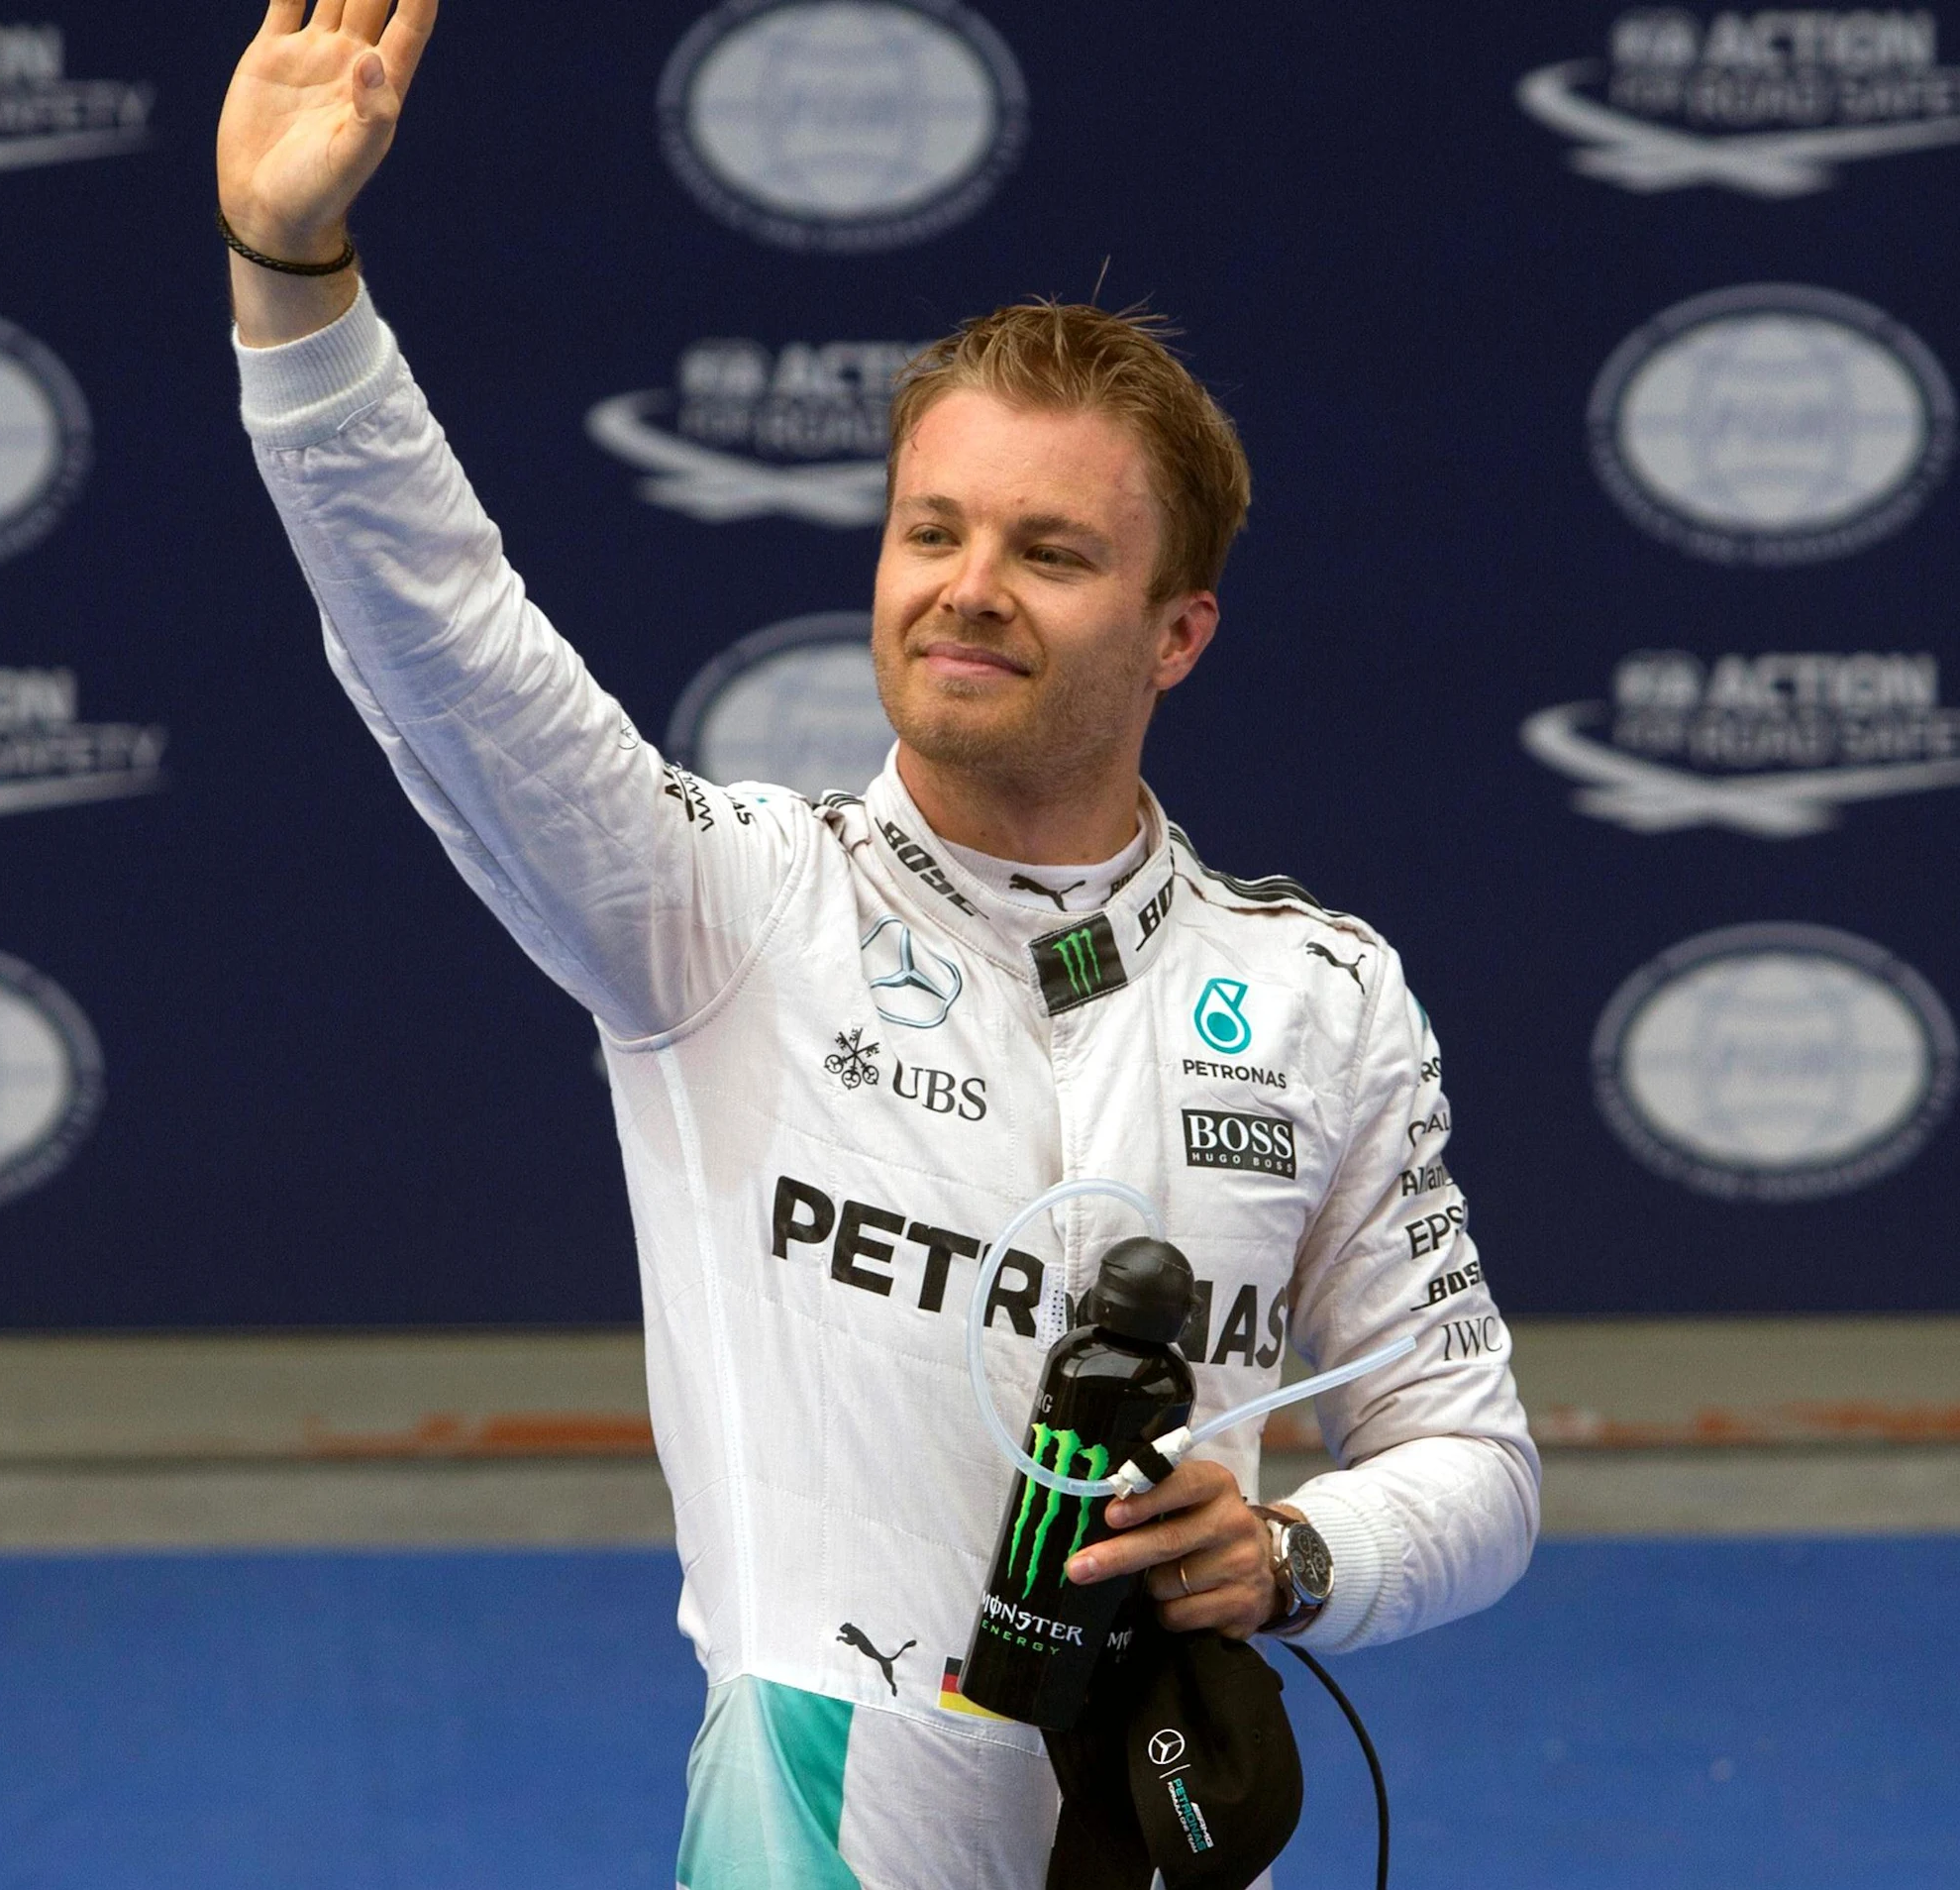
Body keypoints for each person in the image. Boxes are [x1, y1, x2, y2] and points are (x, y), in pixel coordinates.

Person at [215, 3, 1540, 1886]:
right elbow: (441, 628)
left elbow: (1475, 1464)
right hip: (818, 1830)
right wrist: (293, 274)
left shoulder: (1325, 1000)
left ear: (1180, 634)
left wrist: (1301, 1556)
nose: (967, 587)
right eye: (932, 528)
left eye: (1052, 552)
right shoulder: (720, 912)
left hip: (1160, 1833)